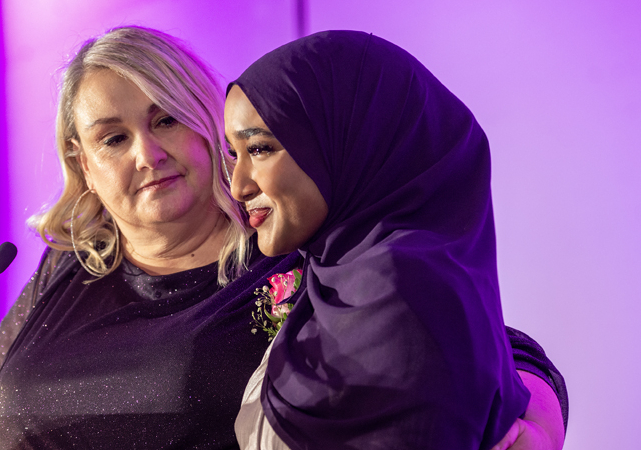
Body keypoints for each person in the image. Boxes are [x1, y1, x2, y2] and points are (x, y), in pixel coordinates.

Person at [0, 26, 564, 450]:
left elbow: (469, 341)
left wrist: (538, 417)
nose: (146, 156)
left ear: (209, 125)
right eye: (113, 138)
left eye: (166, 122)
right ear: (82, 166)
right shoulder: (66, 273)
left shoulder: (285, 250)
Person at [224, 30, 567, 450]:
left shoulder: (402, 290)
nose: (238, 185)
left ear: (350, 141)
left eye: (259, 148)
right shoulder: (337, 274)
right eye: (233, 154)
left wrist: (544, 412)